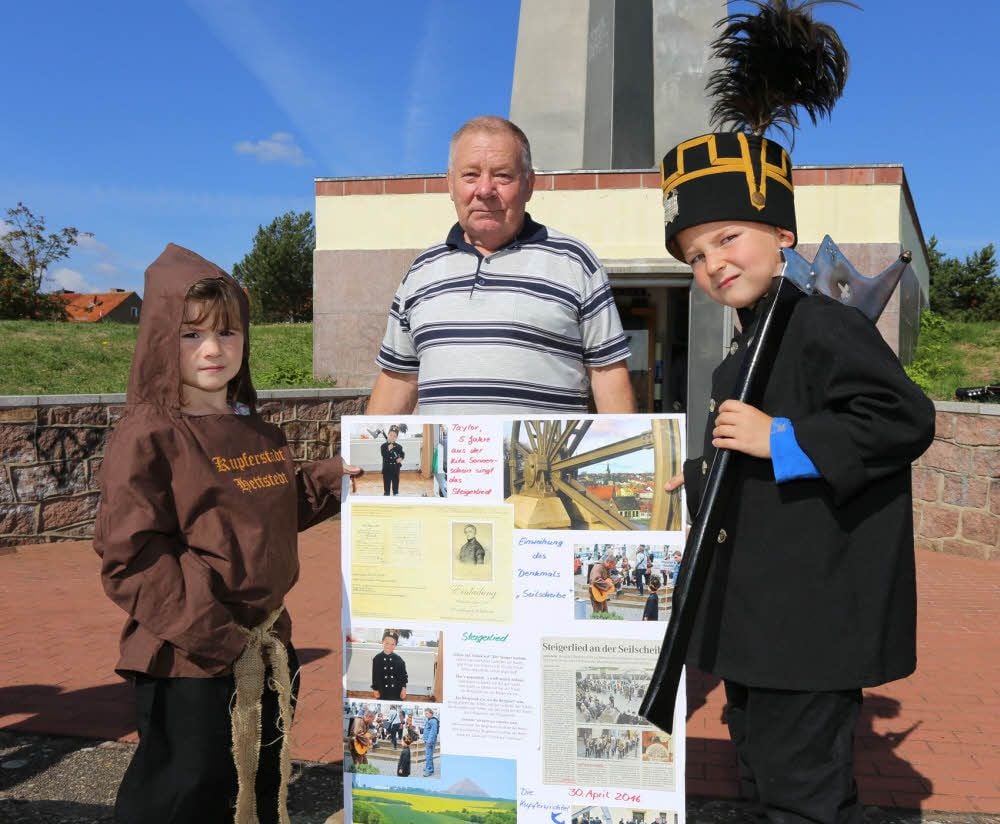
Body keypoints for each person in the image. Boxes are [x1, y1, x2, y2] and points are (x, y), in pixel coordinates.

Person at [657, 124, 935, 821]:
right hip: (757, 628)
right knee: (759, 770)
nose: (713, 262)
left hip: (809, 626)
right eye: (695, 255)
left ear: (781, 233)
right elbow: (750, 473)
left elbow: (902, 419)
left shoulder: (822, 325)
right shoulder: (738, 357)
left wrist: (779, 435)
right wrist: (695, 480)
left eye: (727, 238)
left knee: (803, 792)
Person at [93, 244, 362, 824]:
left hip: (265, 646)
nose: (213, 350)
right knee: (184, 793)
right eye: (191, 335)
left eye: (228, 333)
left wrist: (338, 478)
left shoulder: (257, 431)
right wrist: (217, 636)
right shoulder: (150, 434)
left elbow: (275, 510)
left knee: (257, 785)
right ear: (162, 339)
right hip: (191, 655)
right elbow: (131, 557)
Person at [367, 115, 636, 415]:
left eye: (503, 176)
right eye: (470, 175)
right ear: (450, 184)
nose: (484, 190)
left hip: (544, 461)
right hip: (444, 463)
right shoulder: (421, 272)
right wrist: (356, 455)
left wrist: (632, 456)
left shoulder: (575, 262)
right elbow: (397, 379)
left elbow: (608, 374)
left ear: (529, 184)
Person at [371, 630, 408, 701]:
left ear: (396, 645)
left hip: (396, 690)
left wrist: (403, 688)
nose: (389, 646)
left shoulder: (399, 659)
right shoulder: (377, 658)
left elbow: (403, 675)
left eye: (392, 644)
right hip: (382, 689)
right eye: (387, 643)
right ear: (382, 642)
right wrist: (375, 689)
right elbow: (375, 675)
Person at [380, 425, 404, 496]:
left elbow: (402, 454)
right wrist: (388, 450)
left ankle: (395, 492)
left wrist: (401, 458)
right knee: (386, 483)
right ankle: (386, 493)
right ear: (388, 435)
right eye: (390, 435)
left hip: (395, 469)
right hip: (387, 469)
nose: (392, 437)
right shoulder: (383, 446)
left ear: (396, 437)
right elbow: (384, 455)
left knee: (395, 482)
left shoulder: (399, 447)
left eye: (394, 436)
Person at [421, 708, 439, 777]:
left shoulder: (433, 721)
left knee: (428, 756)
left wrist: (429, 741)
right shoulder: (430, 720)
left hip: (430, 741)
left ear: (431, 713)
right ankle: (429, 768)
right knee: (428, 755)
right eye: (425, 713)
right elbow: (428, 730)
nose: (425, 715)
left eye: (427, 713)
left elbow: (433, 732)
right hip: (428, 740)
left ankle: (429, 770)